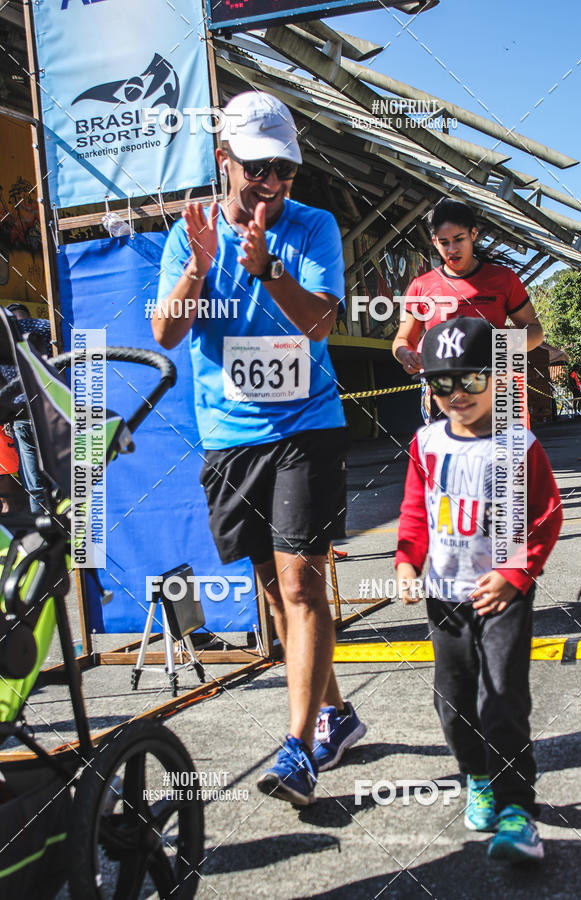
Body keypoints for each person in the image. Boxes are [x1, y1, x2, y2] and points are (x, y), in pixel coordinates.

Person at [153, 91, 365, 805]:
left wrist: (270, 269)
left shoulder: (313, 226)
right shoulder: (190, 233)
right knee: (276, 593)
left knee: (302, 586)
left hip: (307, 427)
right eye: (258, 167)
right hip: (231, 438)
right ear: (225, 160)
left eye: (285, 169)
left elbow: (320, 326)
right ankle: (338, 714)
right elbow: (165, 334)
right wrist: (199, 267)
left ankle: (298, 750)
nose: (272, 182)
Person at [395, 316, 562, 862]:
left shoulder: (517, 444)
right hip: (446, 597)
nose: (457, 393)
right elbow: (414, 511)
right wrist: (406, 561)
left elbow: (545, 516)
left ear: (497, 378)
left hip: (502, 596)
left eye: (471, 379)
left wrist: (516, 574)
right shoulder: (425, 444)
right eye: (442, 382)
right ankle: (477, 777)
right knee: (452, 698)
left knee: (503, 698)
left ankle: (517, 810)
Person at [392, 199, 544, 420]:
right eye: (444, 242)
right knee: (448, 444)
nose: (452, 249)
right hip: (445, 393)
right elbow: (402, 340)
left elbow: (535, 331)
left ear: (473, 234)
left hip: (498, 390)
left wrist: (507, 343)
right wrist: (406, 355)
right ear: (434, 242)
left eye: (459, 239)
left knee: (505, 444)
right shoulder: (420, 286)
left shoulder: (504, 279)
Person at [0, 304, 51, 514]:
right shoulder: (45, 328)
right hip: (47, 413)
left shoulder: (6, 338)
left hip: (25, 415)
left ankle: (44, 525)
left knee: (35, 483)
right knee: (57, 474)